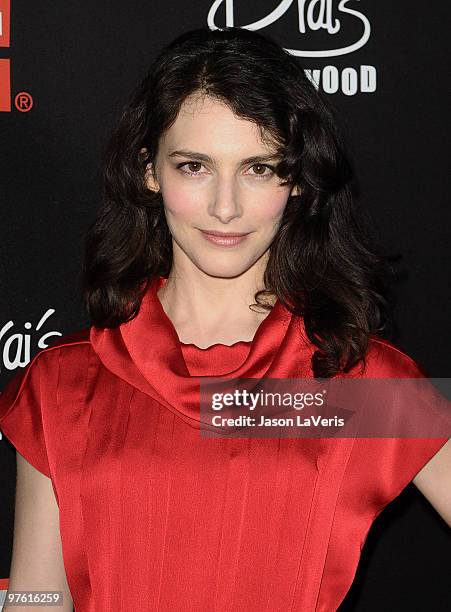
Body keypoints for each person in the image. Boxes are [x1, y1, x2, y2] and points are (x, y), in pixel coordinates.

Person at [0, 26, 450, 612]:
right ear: (149, 170)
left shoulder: (352, 385)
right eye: (195, 166)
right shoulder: (64, 384)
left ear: (296, 182)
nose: (226, 206)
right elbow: (36, 598)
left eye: (259, 168)